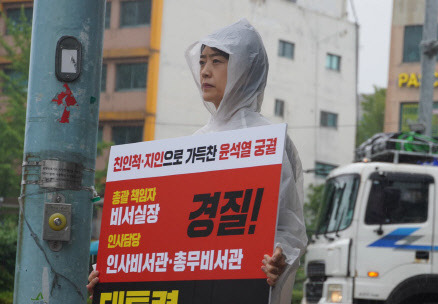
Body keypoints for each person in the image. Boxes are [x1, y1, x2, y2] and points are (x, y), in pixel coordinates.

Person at [88, 19, 307, 303]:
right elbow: (166, 235)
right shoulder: (195, 143)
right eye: (202, 61)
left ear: (245, 68)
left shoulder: (268, 140)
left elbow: (289, 228)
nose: (205, 70)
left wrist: (280, 258)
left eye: (217, 61)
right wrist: (111, 275)